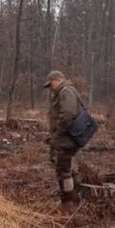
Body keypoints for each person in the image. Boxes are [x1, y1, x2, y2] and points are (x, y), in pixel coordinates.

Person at [43, 70, 83, 209]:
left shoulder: (66, 92)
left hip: (66, 140)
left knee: (63, 171)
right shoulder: (64, 92)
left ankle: (68, 203)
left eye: (51, 84)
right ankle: (74, 198)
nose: (50, 88)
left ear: (58, 80)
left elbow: (67, 115)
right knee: (67, 169)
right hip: (65, 138)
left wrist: (57, 133)